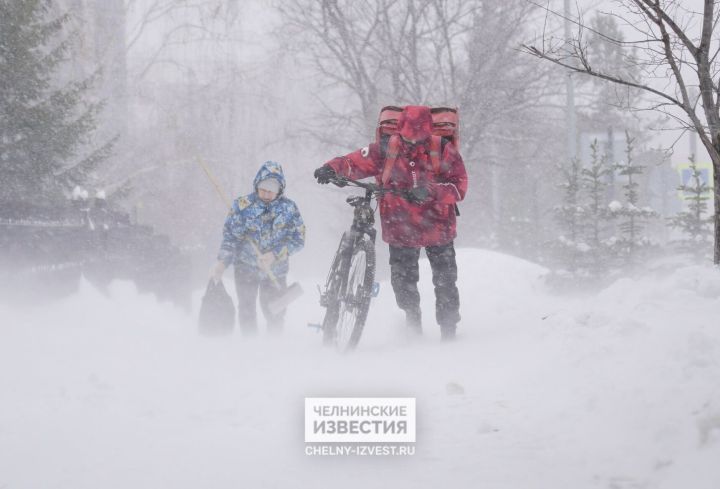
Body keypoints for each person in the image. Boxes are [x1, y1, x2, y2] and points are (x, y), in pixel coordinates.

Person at [314, 105, 468, 340]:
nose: (412, 142)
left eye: (418, 138)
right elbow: (355, 161)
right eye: (407, 136)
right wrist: (331, 168)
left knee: (445, 283)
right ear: (399, 130)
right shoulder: (386, 149)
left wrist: (430, 191)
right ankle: (412, 323)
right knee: (403, 285)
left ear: (428, 132)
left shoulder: (442, 149)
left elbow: (459, 186)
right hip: (401, 228)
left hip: (437, 227)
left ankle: (449, 333)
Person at [212, 161, 305, 335]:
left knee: (275, 311)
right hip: (245, 268)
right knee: (246, 309)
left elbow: (298, 240)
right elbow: (230, 238)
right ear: (257, 184)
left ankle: (274, 347)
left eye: (271, 189)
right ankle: (250, 348)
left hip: (275, 271)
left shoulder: (289, 208)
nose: (267, 193)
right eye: (263, 188)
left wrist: (274, 255)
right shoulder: (242, 206)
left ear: (280, 189)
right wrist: (222, 262)